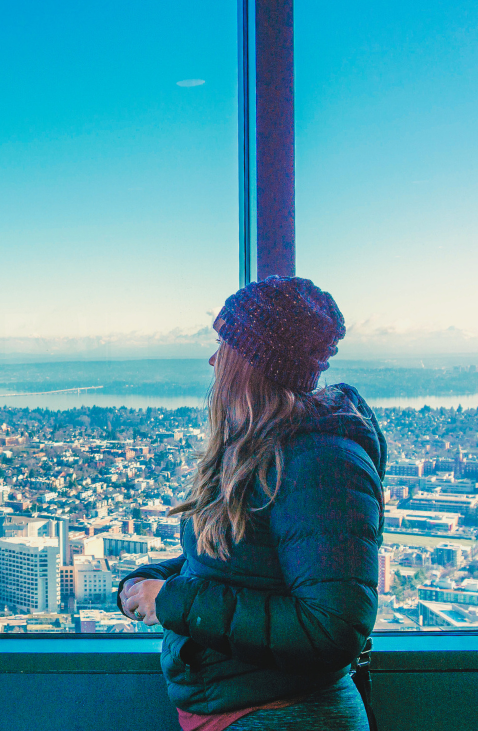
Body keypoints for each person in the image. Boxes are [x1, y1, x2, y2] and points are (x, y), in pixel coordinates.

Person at [118, 276, 386, 731]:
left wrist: (175, 599)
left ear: (254, 361)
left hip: (288, 716)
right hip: (252, 710)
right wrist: (158, 579)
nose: (212, 358)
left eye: (224, 342)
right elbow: (249, 560)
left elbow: (331, 628)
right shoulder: (268, 448)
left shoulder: (322, 462)